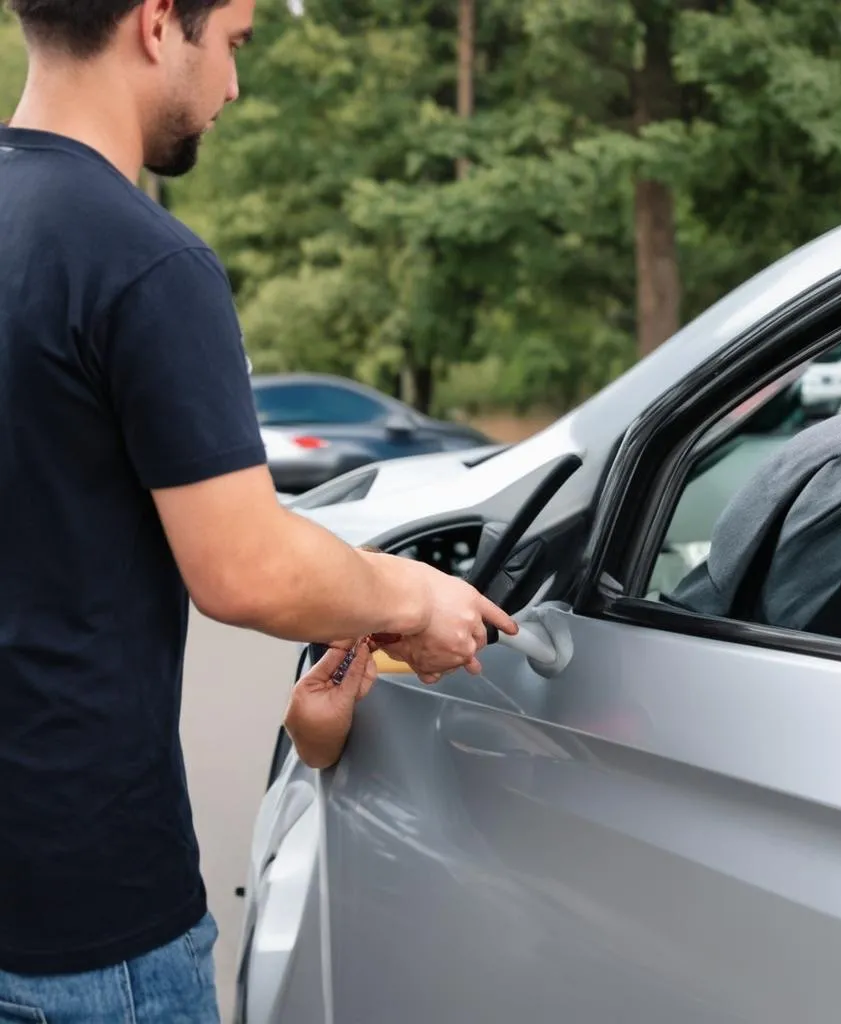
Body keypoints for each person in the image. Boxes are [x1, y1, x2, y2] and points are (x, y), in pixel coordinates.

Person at [0, 0, 517, 1020]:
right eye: (233, 42)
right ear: (158, 22)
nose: (234, 87)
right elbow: (248, 568)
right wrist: (407, 592)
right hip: (85, 935)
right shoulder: (145, 262)